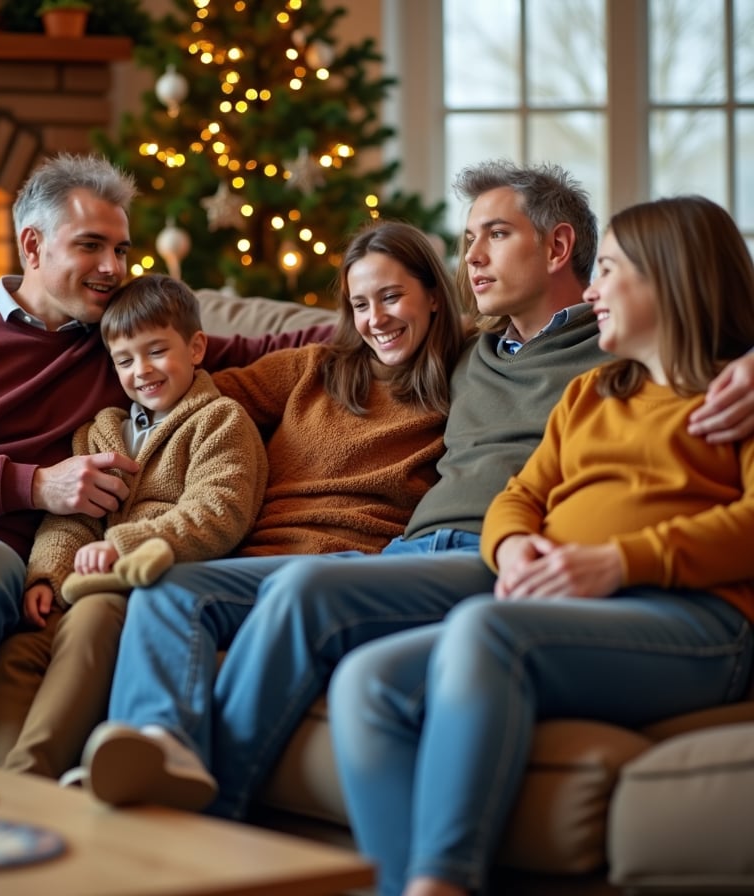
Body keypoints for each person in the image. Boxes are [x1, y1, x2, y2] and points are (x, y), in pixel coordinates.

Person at [75, 160, 754, 820]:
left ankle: (207, 825)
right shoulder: (472, 349)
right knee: (171, 589)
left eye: (494, 234)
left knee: (305, 592)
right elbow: (240, 354)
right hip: (413, 547)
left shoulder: (616, 352)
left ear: (559, 246)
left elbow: (706, 310)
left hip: (486, 559)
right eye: (465, 241)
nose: (472, 259)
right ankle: (161, 750)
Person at [329, 193, 754, 896]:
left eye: (609, 270)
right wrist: (514, 546)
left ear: (671, 277)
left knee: (488, 629)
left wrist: (620, 561)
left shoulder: (732, 395)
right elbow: (518, 495)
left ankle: (443, 882)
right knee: (366, 681)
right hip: (576, 612)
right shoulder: (592, 394)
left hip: (700, 622)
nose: (590, 291)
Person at [0, 152, 311, 745]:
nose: (112, 267)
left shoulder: (124, 349)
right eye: (91, 246)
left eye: (120, 250)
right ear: (33, 245)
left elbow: (280, 344)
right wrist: (39, 484)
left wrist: (403, 318)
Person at [75, 219, 468, 809]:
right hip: (255, 562)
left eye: (392, 297)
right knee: (166, 589)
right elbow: (189, 399)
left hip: (351, 568)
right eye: (361, 304)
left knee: (212, 592)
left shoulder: (466, 383)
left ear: (434, 295)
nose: (377, 319)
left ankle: (203, 810)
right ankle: (157, 749)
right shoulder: (313, 367)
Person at [0, 273, 269, 779]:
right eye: (125, 360)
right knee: (16, 653)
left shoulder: (219, 421)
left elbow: (219, 511)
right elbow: (69, 518)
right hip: (83, 583)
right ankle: (20, 779)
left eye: (156, 351)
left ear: (196, 347)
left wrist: (124, 544)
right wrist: (46, 575)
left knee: (91, 621)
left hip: (152, 584)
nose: (142, 371)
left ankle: (26, 781)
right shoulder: (101, 432)